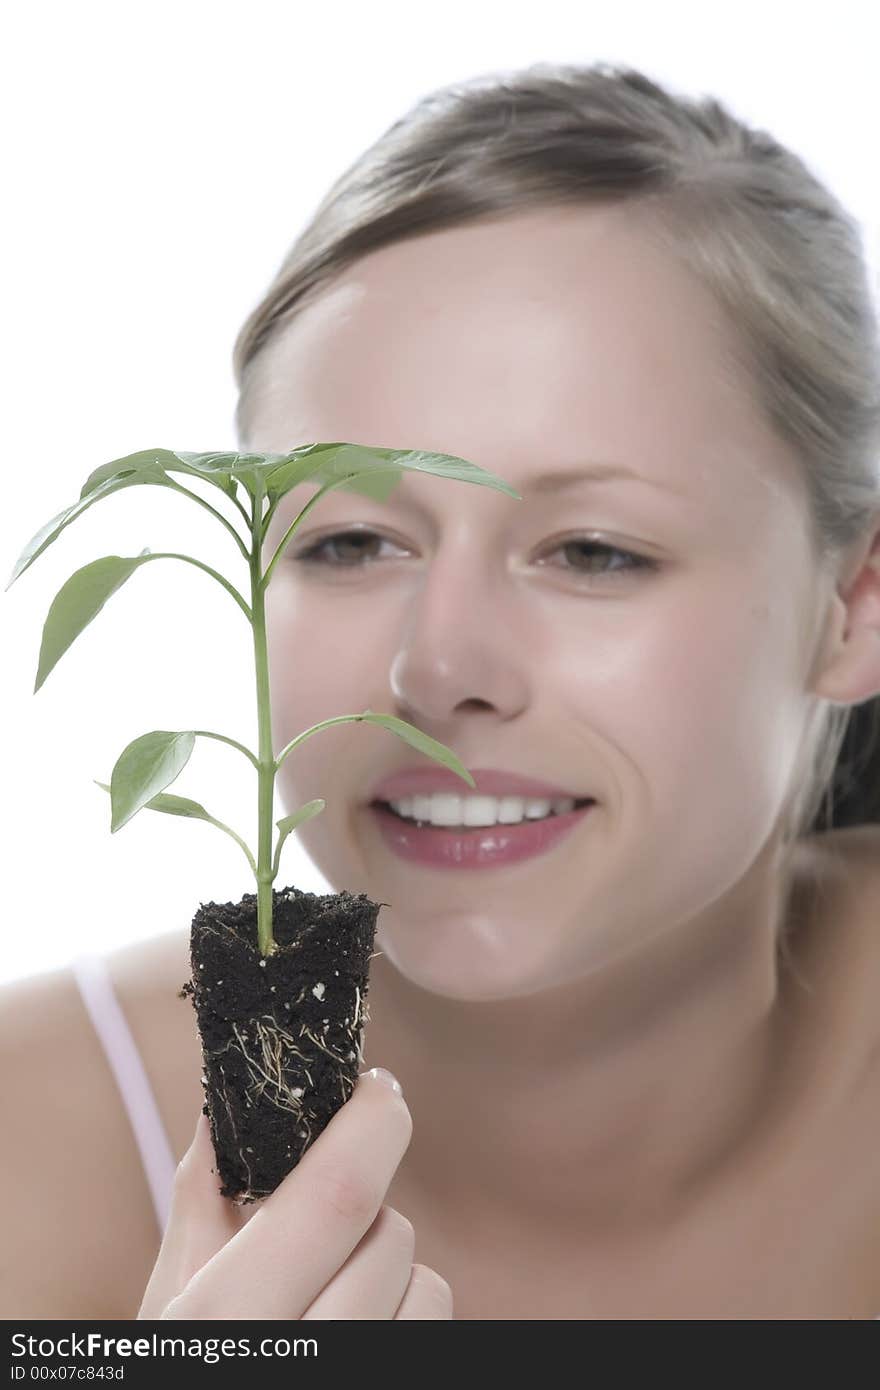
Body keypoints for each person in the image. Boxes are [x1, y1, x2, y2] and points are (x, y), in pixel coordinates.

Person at [3, 59, 880, 1321]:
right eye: (350, 544)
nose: (436, 670)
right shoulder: (28, 1151)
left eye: (592, 552)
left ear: (850, 604)